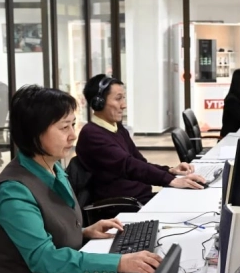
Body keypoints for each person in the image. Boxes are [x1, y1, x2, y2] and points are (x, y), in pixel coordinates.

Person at [0, 85, 162, 273]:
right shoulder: (14, 191)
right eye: (64, 127)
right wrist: (120, 262)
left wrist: (84, 232)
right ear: (34, 132)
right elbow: (45, 259)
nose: (72, 135)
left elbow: (47, 231)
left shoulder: (53, 167)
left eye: (73, 125)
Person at [75, 74, 205, 203]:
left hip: (140, 198)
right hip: (125, 205)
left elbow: (139, 162)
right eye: (118, 99)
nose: (123, 105)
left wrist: (169, 171)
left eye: (123, 98)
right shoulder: (92, 135)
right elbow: (129, 165)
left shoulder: (116, 128)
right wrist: (171, 180)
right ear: (98, 103)